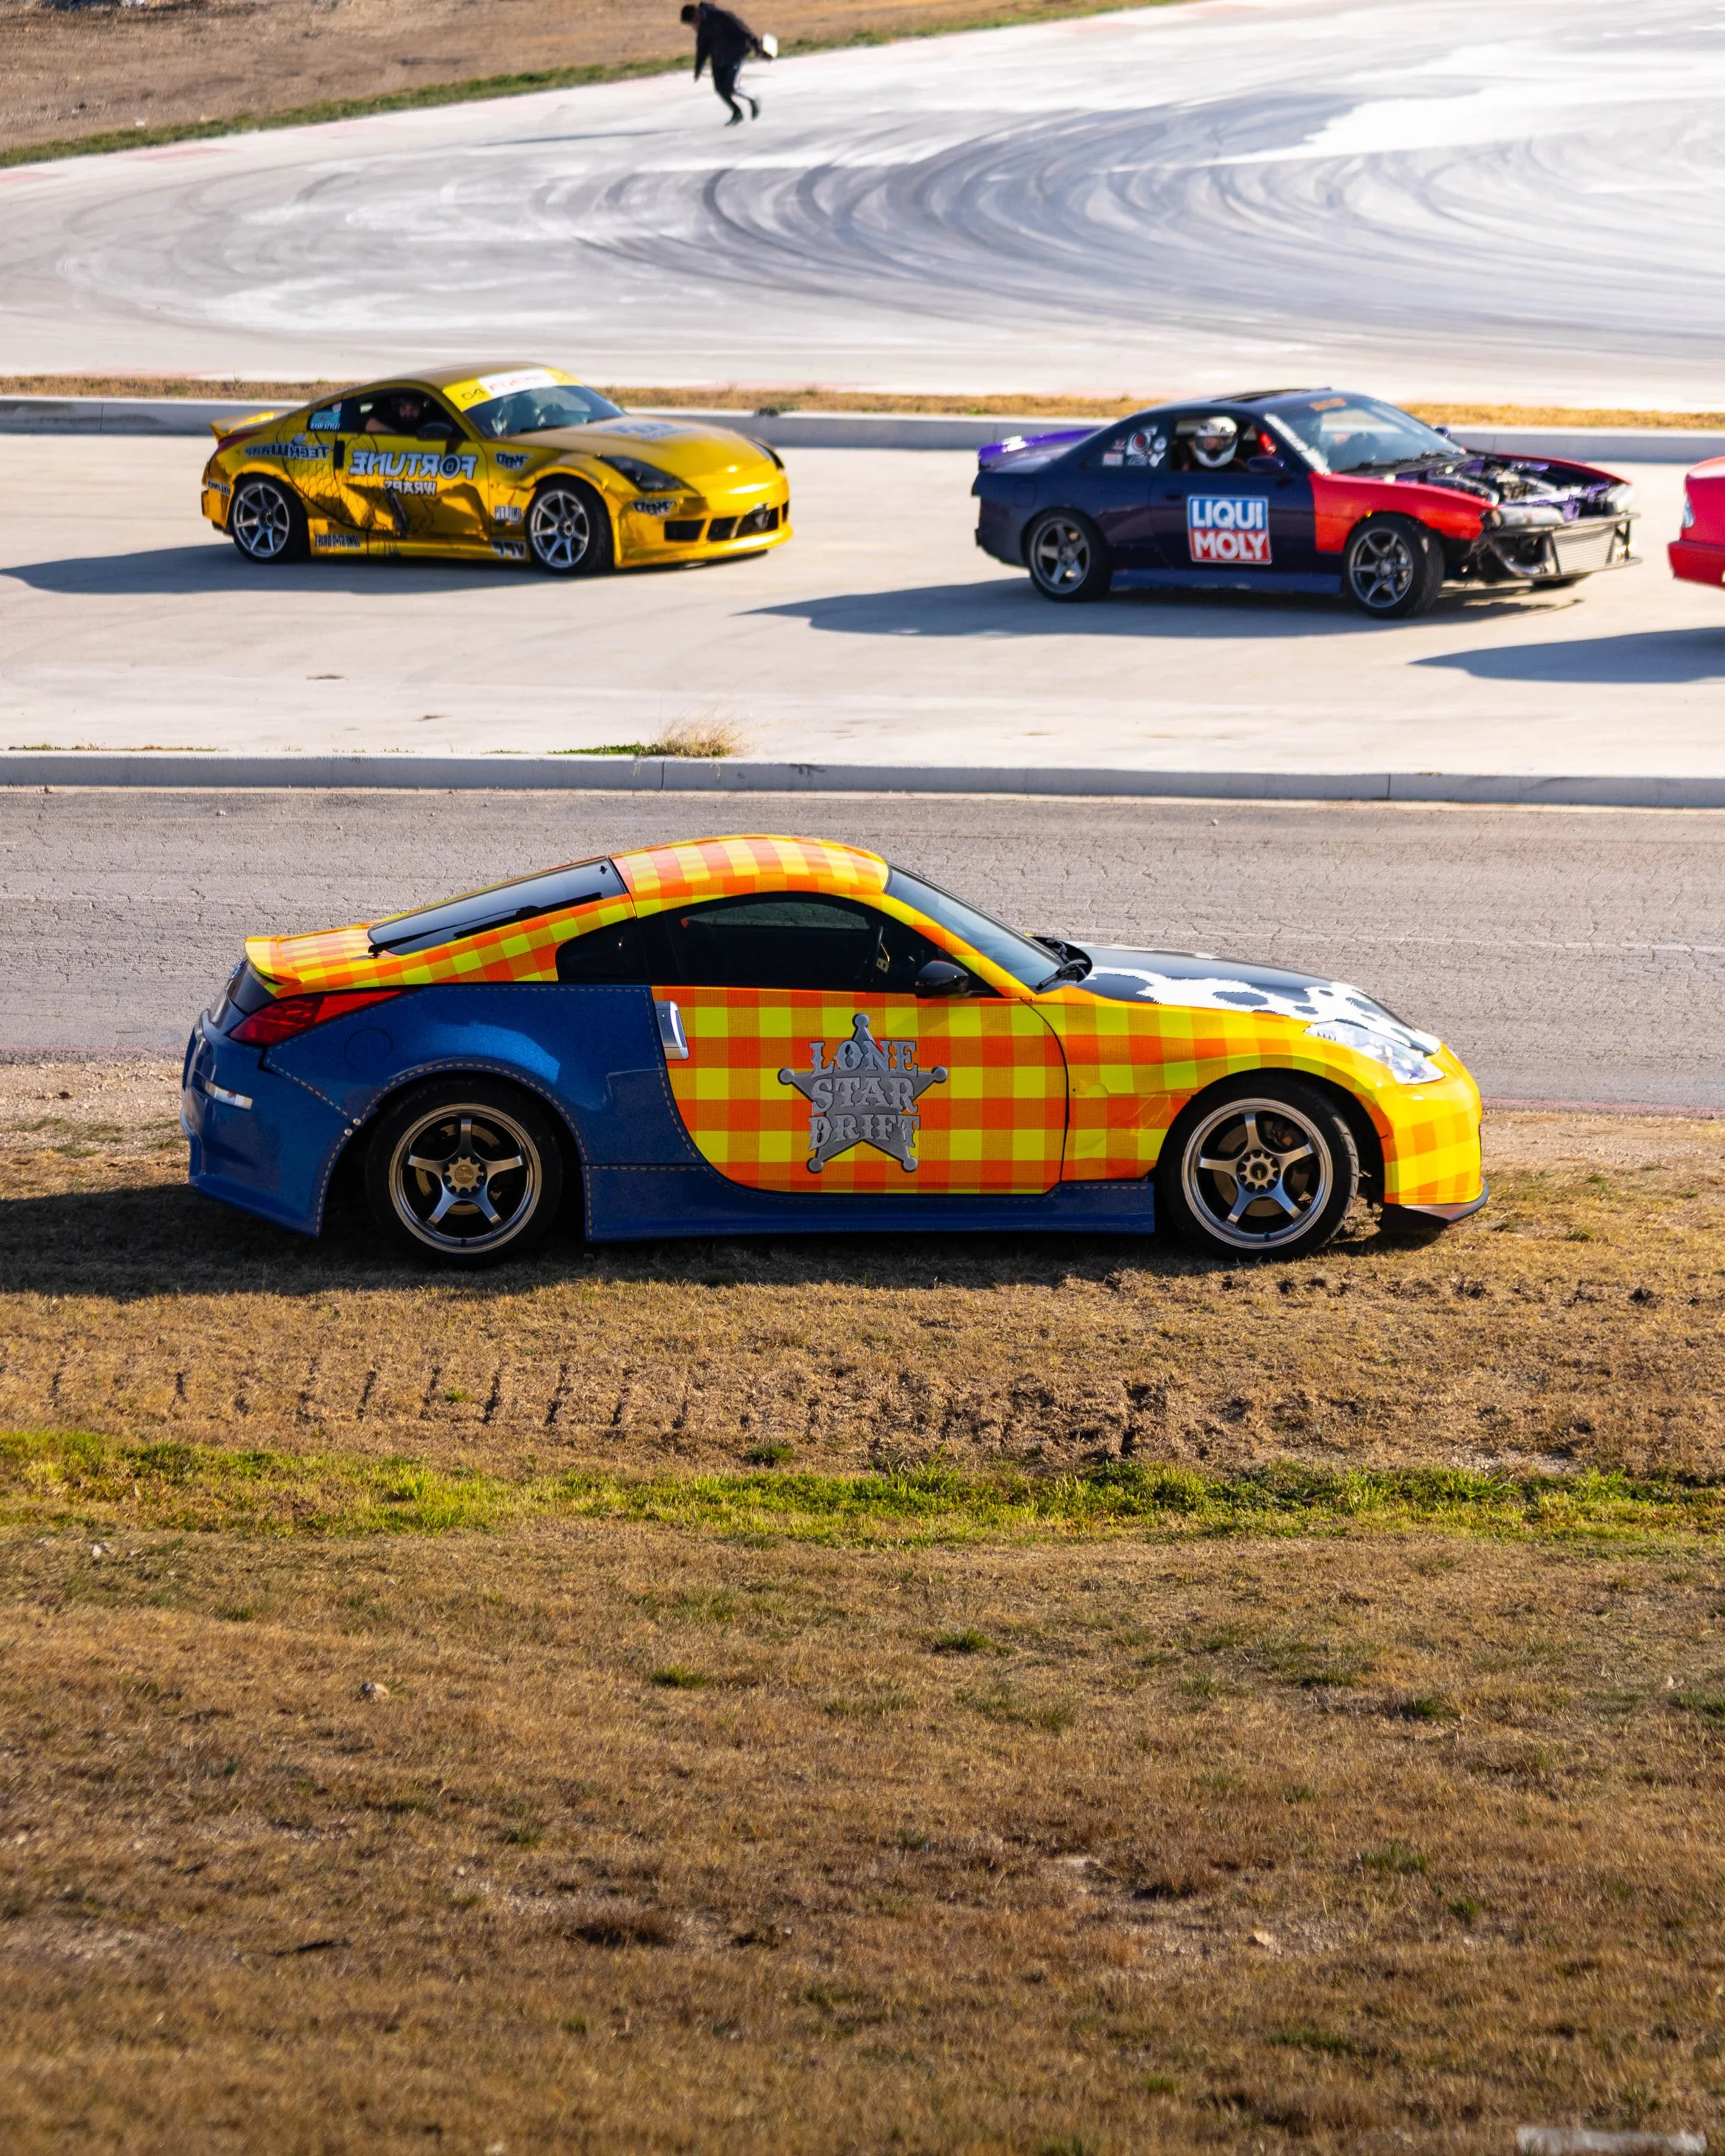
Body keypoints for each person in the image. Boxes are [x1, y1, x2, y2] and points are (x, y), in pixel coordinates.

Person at [680, 1, 765, 125]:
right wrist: (698, 69)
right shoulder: (702, 27)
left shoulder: (720, 16)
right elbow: (702, 48)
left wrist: (757, 46)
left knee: (732, 87)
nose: (693, 26)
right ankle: (737, 112)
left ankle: (753, 99)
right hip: (718, 58)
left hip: (736, 54)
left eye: (693, 22)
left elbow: (743, 29)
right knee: (720, 89)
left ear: (696, 14)